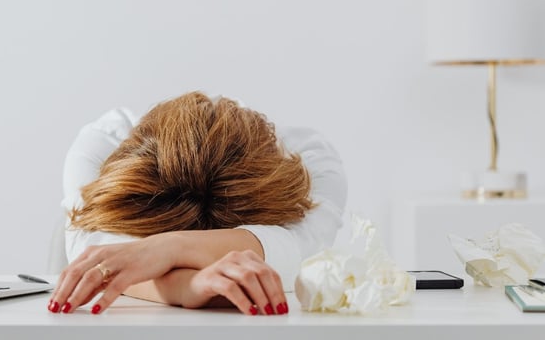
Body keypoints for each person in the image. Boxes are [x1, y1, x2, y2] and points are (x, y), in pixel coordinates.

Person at [48, 91, 347, 315]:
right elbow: (100, 256)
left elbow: (301, 252)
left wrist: (168, 248)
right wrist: (187, 286)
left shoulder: (310, 159)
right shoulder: (105, 140)